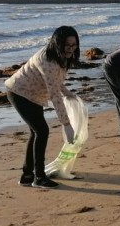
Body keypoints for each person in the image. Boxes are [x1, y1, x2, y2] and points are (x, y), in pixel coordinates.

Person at [5, 26, 80, 189]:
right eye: (67, 45)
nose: (71, 49)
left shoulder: (60, 56)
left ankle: (27, 175)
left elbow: (56, 81)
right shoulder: (47, 61)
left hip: (34, 96)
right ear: (58, 43)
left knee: (36, 131)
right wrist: (66, 124)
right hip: (19, 93)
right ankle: (39, 177)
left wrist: (67, 92)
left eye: (74, 45)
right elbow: (54, 95)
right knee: (42, 131)